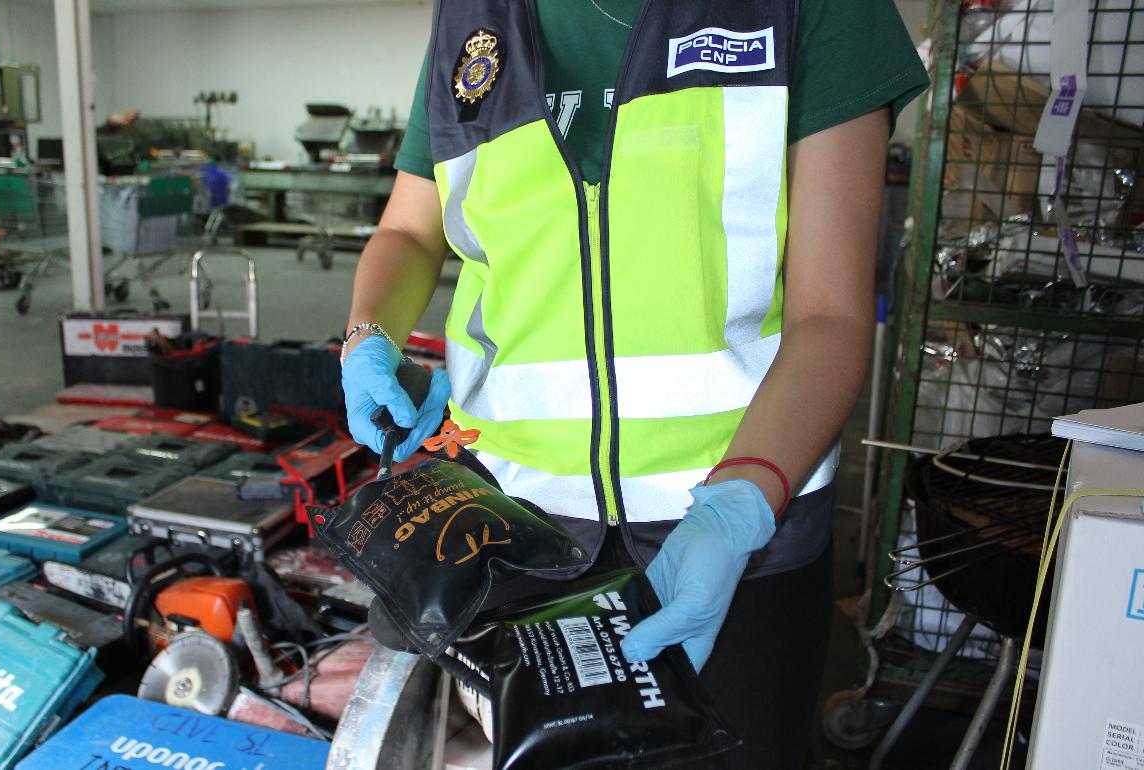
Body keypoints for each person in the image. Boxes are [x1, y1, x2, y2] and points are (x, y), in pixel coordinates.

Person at [341, 1, 928, 766]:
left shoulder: (807, 10)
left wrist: (740, 502)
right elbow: (410, 230)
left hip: (739, 532)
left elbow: (832, 315)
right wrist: (366, 336)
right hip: (515, 528)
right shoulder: (472, 20)